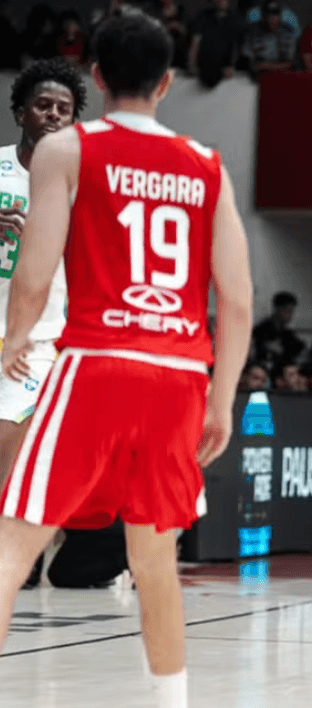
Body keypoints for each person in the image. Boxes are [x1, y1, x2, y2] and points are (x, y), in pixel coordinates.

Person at [0, 10, 253, 708]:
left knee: (14, 545)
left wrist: (18, 336)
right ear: (168, 82)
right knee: (154, 561)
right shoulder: (207, 167)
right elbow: (236, 299)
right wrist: (221, 397)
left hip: (96, 359)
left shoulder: (68, 149)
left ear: (98, 75)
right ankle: (170, 701)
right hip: (177, 377)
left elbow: (34, 269)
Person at [0, 58, 87, 588]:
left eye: (65, 109)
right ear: (20, 112)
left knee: (11, 442)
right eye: (43, 105)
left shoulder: (83, 184)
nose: (54, 115)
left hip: (40, 337)